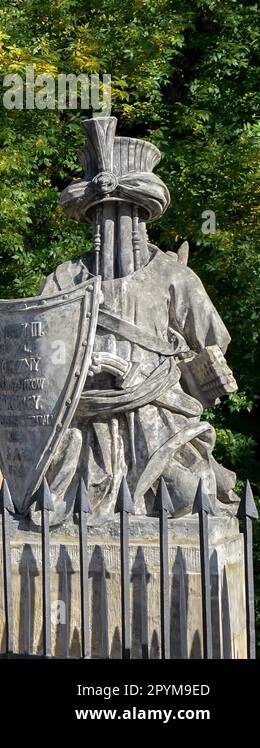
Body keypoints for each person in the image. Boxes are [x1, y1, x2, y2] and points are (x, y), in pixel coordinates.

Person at [39, 114, 239, 516]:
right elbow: (40, 354)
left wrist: (170, 367)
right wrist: (88, 363)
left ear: (142, 215)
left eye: (124, 212)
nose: (110, 226)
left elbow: (213, 345)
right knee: (46, 494)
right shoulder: (65, 278)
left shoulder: (174, 277)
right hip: (82, 417)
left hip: (158, 409)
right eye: (102, 215)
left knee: (187, 496)